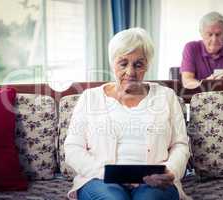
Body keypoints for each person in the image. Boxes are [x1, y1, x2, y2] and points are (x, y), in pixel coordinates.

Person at [64, 27, 191, 200]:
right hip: (100, 180)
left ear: (147, 65)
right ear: (112, 62)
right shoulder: (90, 98)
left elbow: (180, 144)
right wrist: (106, 173)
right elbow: (73, 148)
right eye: (123, 63)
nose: (130, 72)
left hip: (154, 182)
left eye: (138, 64)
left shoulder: (166, 96)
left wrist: (171, 170)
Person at [180, 11, 223, 89]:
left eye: (218, 34)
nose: (214, 39)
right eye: (210, 34)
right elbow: (187, 81)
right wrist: (205, 84)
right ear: (201, 33)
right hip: (200, 96)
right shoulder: (191, 48)